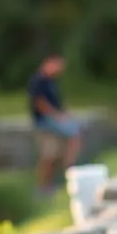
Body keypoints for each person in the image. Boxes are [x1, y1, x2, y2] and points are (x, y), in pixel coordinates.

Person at [27, 54, 82, 195]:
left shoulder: (51, 82)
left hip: (51, 121)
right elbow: (39, 102)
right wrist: (57, 116)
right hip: (45, 122)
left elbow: (57, 103)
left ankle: (54, 183)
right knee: (51, 153)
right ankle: (67, 171)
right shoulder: (38, 80)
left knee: (53, 155)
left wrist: (64, 114)